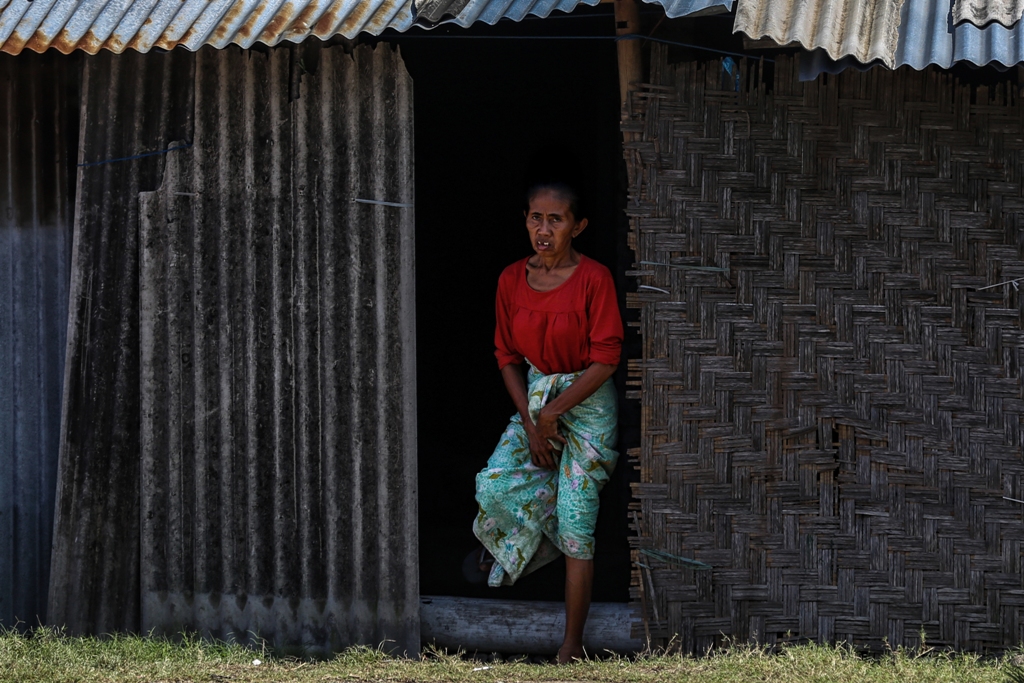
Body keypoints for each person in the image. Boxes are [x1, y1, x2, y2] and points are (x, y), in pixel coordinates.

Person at [467, 181, 623, 663]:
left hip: (588, 404)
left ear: (578, 227)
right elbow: (506, 355)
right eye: (536, 217)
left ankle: (571, 644)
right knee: (494, 486)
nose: (544, 228)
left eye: (556, 220)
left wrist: (556, 413)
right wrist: (534, 424)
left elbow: (607, 358)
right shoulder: (511, 279)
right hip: (534, 400)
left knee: (579, 524)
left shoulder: (594, 278)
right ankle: (544, 537)